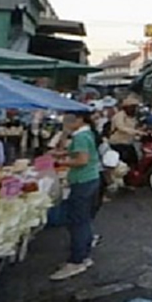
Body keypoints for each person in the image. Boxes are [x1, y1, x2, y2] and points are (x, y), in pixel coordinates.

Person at [50, 112, 101, 281]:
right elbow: (79, 155)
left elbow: (82, 160)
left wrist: (59, 162)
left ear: (80, 120)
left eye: (70, 119)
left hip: (83, 181)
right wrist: (64, 154)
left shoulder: (81, 136)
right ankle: (84, 255)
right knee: (84, 219)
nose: (66, 122)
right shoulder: (85, 134)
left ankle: (77, 260)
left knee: (77, 221)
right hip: (90, 179)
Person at [109, 97, 143, 169]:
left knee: (134, 162)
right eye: (133, 107)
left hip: (128, 143)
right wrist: (137, 132)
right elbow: (121, 128)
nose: (135, 109)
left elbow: (133, 130)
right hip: (118, 144)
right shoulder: (119, 116)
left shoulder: (132, 117)